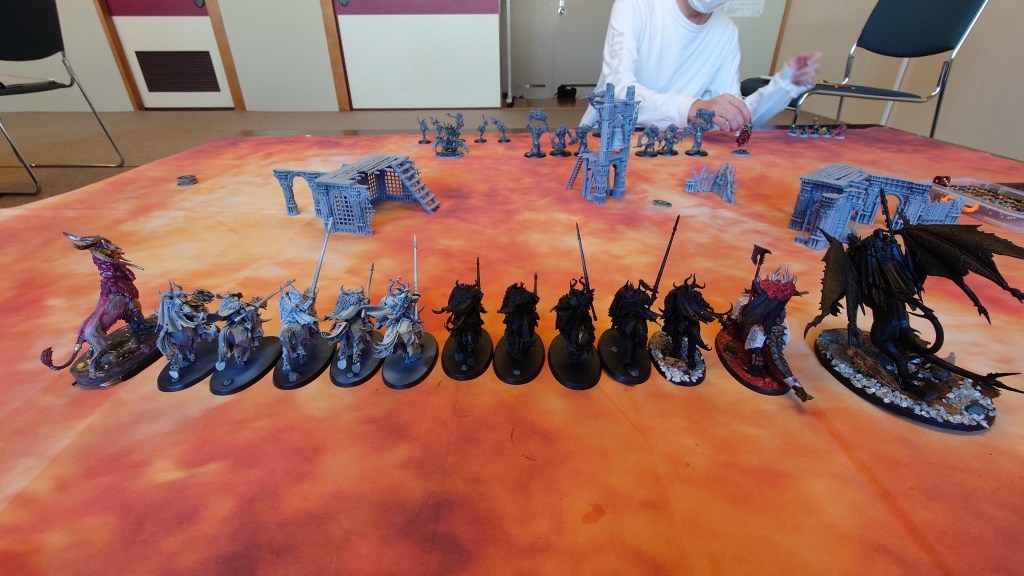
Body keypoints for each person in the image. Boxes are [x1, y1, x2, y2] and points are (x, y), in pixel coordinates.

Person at [580, 0, 821, 132]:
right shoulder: (636, 5)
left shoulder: (726, 31)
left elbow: (729, 119)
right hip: (606, 138)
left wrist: (785, 86)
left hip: (673, 152)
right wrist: (692, 107)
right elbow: (617, 92)